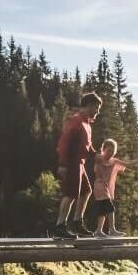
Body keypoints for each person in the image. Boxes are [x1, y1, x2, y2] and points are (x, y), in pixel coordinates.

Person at [53, 93, 102, 239]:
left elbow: (88, 145)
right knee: (70, 194)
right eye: (97, 108)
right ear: (89, 105)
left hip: (80, 163)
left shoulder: (87, 123)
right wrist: (62, 164)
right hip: (71, 162)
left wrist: (95, 155)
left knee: (86, 191)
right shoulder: (76, 120)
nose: (97, 112)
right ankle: (60, 226)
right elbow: (63, 142)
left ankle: (77, 223)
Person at [86, 139, 138, 237]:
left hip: (105, 188)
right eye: (109, 150)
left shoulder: (114, 161)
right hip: (99, 186)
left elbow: (128, 164)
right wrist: (88, 141)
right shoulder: (99, 158)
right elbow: (90, 150)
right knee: (110, 207)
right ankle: (112, 229)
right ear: (103, 149)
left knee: (103, 209)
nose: (111, 153)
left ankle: (98, 230)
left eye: (113, 151)